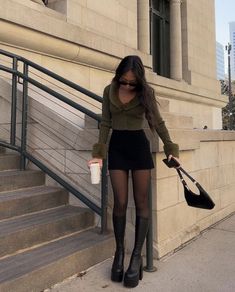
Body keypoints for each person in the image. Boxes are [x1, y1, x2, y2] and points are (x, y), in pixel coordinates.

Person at [88, 55, 180, 288]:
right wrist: (99, 152)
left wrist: (170, 148)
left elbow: (157, 123)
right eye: (124, 81)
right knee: (119, 202)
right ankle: (119, 253)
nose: (127, 85)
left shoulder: (146, 93)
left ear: (138, 81)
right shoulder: (109, 90)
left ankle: (137, 256)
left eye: (132, 83)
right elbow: (106, 123)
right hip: (117, 147)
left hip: (139, 147)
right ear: (119, 76)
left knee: (141, 202)